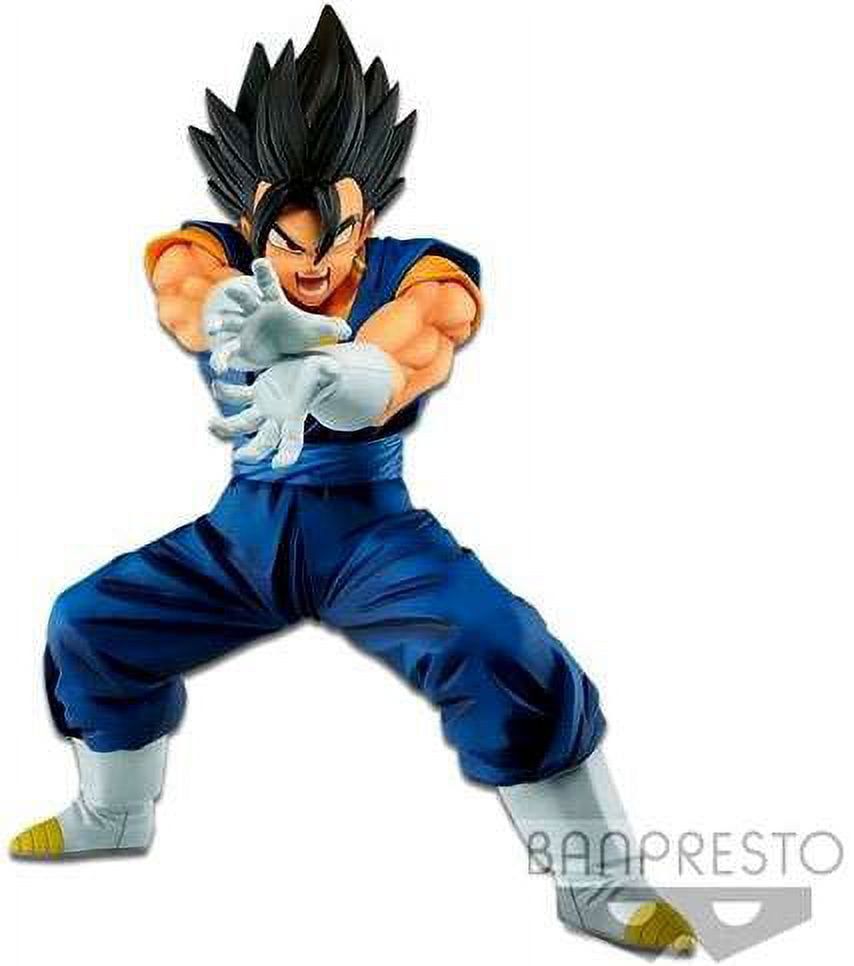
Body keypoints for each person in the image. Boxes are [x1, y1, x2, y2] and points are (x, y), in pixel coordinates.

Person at [11, 6, 695, 955]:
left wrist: (330, 373)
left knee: (499, 644)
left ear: (366, 219)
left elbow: (414, 345)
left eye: (329, 242)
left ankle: (599, 883)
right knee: (88, 622)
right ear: (249, 220)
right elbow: (186, 292)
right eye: (282, 244)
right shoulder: (210, 254)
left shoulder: (425, 272)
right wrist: (241, 320)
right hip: (240, 537)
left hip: (370, 537)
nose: (309, 266)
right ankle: (113, 814)